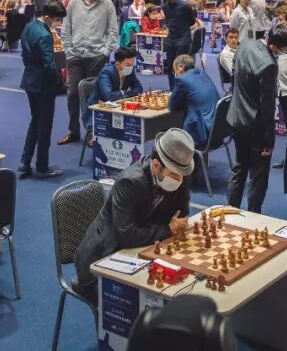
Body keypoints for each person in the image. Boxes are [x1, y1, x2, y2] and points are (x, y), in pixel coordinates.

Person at [73, 129, 195, 290]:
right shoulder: (129, 182)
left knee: (182, 286)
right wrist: (168, 229)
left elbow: (181, 216)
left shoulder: (180, 176)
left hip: (145, 249)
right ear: (156, 165)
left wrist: (170, 227)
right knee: (150, 298)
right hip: (105, 257)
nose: (179, 180)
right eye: (174, 175)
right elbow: (128, 236)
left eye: (182, 175)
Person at [227, 25, 287, 213]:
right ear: (274, 46)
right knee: (259, 174)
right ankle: (253, 215)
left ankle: (230, 210)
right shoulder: (269, 65)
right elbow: (267, 106)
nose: (286, 52)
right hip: (255, 125)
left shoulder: (246, 44)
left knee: (239, 167)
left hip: (236, 116)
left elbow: (233, 76)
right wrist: (269, 139)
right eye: (286, 49)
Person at [59, 0, 119, 146]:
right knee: (72, 95)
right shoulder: (74, 2)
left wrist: (105, 52)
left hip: (97, 57)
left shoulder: (108, 5)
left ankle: (93, 132)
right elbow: (66, 27)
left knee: (93, 96)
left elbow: (113, 31)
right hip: (75, 56)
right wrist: (68, 50)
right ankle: (73, 131)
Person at [18, 0, 67, 180]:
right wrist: (60, 83)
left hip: (29, 79)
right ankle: (42, 166)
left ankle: (25, 162)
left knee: (35, 121)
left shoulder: (29, 27)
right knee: (45, 126)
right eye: (57, 19)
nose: (59, 23)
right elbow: (49, 65)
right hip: (43, 85)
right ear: (47, 17)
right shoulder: (45, 35)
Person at [170, 54, 221, 147]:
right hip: (219, 129)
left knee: (169, 137)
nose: (175, 74)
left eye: (175, 71)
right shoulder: (202, 74)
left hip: (204, 133)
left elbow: (172, 106)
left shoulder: (181, 79)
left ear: (180, 68)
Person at [84, 46, 144, 115]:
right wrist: (123, 93)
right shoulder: (106, 73)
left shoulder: (129, 71)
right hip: (97, 112)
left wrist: (124, 94)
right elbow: (109, 96)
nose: (131, 67)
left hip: (117, 108)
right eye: (128, 65)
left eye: (132, 64)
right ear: (118, 64)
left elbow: (139, 88)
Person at [161, 0, 197, 90]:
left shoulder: (185, 6)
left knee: (180, 67)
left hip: (183, 39)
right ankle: (173, 90)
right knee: (170, 68)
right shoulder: (165, 7)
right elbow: (168, 21)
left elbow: (192, 22)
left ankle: (182, 90)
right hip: (170, 39)